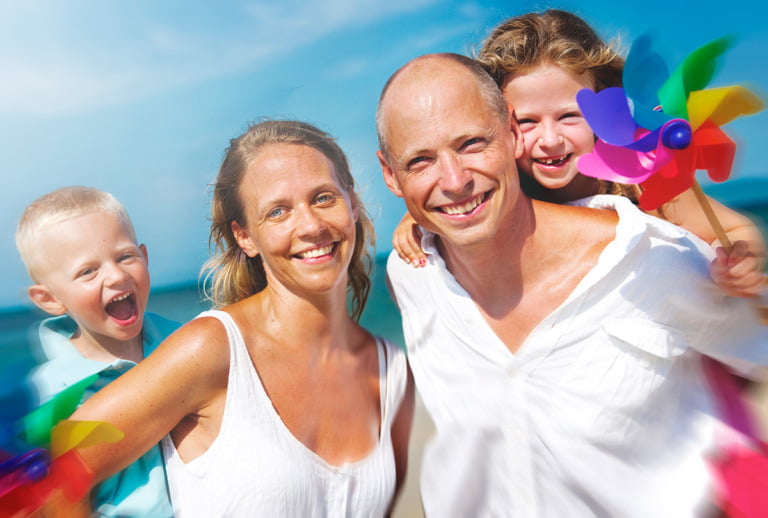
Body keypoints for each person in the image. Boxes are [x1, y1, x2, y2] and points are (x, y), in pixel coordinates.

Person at [376, 53, 768, 516]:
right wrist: (423, 214)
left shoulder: (648, 236)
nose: (454, 179)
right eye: (420, 161)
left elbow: (753, 333)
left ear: (507, 136)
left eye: (471, 143)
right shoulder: (413, 274)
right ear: (390, 175)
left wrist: (743, 272)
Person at [70, 120, 414, 517]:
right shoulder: (212, 350)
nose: (311, 225)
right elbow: (54, 472)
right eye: (278, 211)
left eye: (323, 198)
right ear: (245, 237)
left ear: (351, 204)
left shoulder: (387, 369)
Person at [391, 9, 765, 300]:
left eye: (571, 116)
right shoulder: (509, 192)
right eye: (527, 121)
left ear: (611, 106)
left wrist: (736, 262)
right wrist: (419, 216)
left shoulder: (640, 179)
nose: (550, 140)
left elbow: (735, 230)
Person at [15, 186, 177, 517]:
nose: (117, 275)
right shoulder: (46, 400)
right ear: (50, 299)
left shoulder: (187, 342)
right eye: (88, 271)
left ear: (145, 257)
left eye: (125, 256)